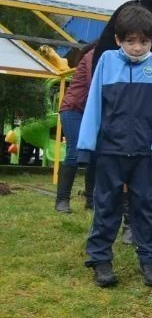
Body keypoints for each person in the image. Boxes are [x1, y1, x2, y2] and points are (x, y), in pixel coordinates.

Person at [76, 5, 152, 288]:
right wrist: (86, 146)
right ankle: (100, 259)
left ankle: (149, 259)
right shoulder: (106, 61)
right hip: (110, 151)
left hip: (144, 154)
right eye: (130, 41)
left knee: (147, 207)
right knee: (106, 205)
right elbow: (94, 104)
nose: (138, 47)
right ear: (118, 40)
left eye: (144, 41)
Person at [55, 44, 96, 213]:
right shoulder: (94, 55)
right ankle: (62, 200)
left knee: (95, 153)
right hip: (73, 109)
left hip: (89, 112)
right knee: (74, 151)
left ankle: (91, 200)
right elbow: (93, 81)